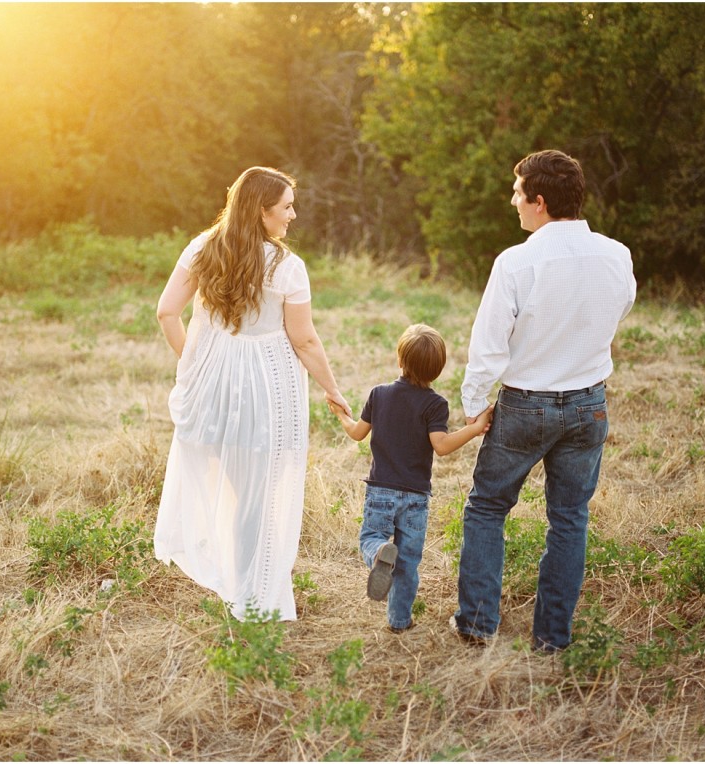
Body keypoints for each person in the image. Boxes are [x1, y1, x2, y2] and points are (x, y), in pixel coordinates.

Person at [452, 149, 637, 652]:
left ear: (538, 201)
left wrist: (474, 406)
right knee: (570, 518)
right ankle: (552, 637)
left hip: (526, 404)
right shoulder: (617, 254)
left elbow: (488, 344)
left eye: (516, 194)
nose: (511, 202)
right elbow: (620, 307)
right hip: (588, 404)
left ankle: (477, 624)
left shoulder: (517, 261)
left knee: (488, 507)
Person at [154, 167, 350, 623]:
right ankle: (250, 597)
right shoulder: (287, 267)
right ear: (262, 212)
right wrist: (333, 389)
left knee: (232, 484)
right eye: (285, 207)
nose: (293, 215)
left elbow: (167, 312)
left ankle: (238, 587)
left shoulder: (203, 247)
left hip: (212, 388)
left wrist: (195, 366)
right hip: (268, 390)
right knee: (256, 493)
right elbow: (303, 341)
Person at [328, 324, 492, 634]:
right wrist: (474, 429)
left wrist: (340, 414)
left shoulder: (379, 394)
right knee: (407, 564)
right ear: (438, 370)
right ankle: (399, 621)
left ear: (400, 361)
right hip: (416, 497)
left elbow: (357, 434)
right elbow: (441, 447)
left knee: (370, 538)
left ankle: (378, 553)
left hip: (381, 491)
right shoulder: (435, 404)